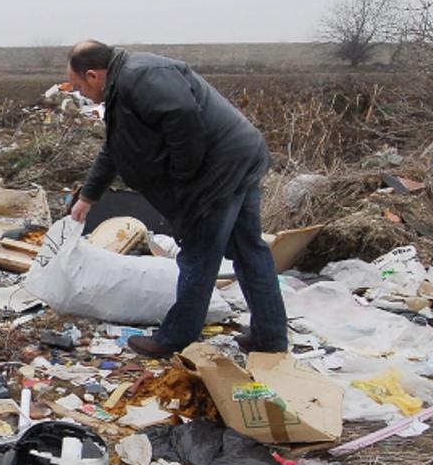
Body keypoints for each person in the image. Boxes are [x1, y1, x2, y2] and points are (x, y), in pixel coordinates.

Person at [64, 40, 288, 358]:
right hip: (236, 161)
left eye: (77, 86)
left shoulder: (138, 77)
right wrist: (88, 197)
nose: (79, 94)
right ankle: (270, 336)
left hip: (219, 172)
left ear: (92, 75)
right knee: (248, 250)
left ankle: (174, 339)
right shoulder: (123, 86)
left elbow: (183, 116)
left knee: (198, 256)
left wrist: (185, 179)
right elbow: (115, 148)